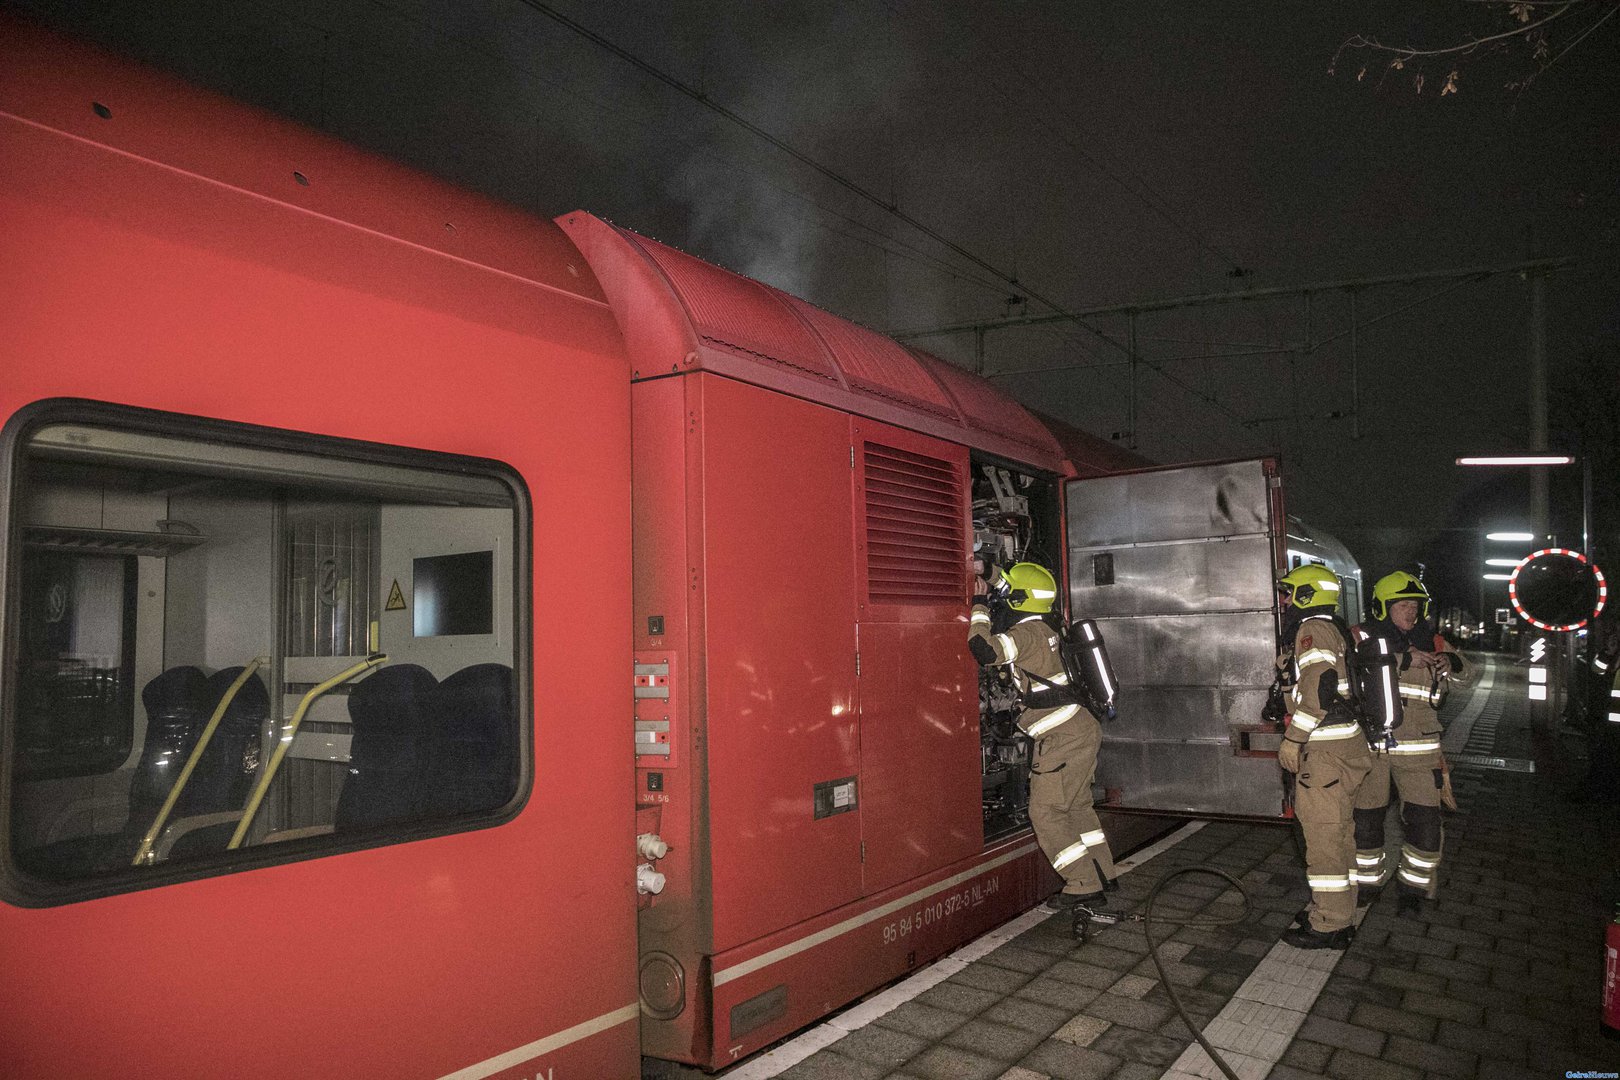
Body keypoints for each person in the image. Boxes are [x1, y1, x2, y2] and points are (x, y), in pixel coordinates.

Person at [969, 559, 1119, 927]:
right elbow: (1014, 585)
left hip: (1061, 737)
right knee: (1078, 807)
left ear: (1019, 599)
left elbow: (984, 650)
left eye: (1008, 594)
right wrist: (984, 568)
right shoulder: (1048, 625)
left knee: (1046, 812)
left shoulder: (1026, 635)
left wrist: (979, 607)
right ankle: (1102, 872)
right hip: (1081, 729)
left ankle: (1082, 883)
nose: (1003, 596)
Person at [1350, 571, 1472, 916]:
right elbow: (1352, 670)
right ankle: (1366, 884)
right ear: (1383, 608)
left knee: (1425, 825)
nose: (1411, 612)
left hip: (1420, 750)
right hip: (1372, 748)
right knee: (1366, 823)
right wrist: (1403, 660)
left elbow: (1467, 677)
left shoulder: (1432, 641)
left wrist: (1453, 662)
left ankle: (1414, 891)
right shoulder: (1361, 636)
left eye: (1415, 605)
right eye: (1402, 605)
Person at [1275, 564, 1372, 949]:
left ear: (1306, 595)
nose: (1284, 601)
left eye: (1289, 593)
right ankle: (1339, 908)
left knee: (1324, 841)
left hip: (1324, 753)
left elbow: (1318, 688)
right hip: (1345, 747)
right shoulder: (1335, 629)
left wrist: (1293, 740)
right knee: (1341, 836)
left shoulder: (1311, 631)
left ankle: (1329, 923)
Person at [1569, 610, 1620, 803]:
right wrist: (1608, 652)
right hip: (1609, 719)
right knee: (1604, 757)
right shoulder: (1613, 652)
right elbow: (1597, 670)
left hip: (1613, 720)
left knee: (1607, 759)